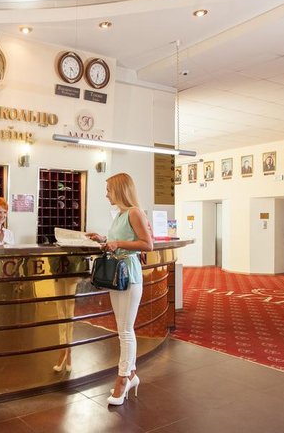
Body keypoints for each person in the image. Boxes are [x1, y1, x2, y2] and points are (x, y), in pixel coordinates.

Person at [86, 173, 153, 406]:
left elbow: (147, 244)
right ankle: (131, 375)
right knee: (123, 328)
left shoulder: (134, 212)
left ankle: (123, 379)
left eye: (108, 189)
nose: (106, 194)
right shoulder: (121, 215)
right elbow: (122, 240)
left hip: (130, 276)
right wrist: (103, 239)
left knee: (125, 330)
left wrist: (118, 243)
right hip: (119, 276)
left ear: (119, 189)